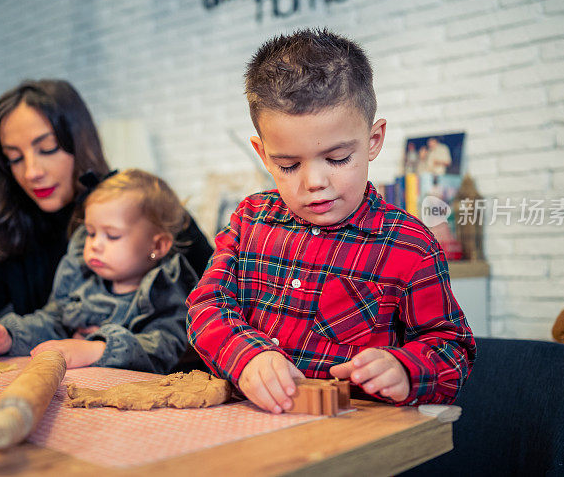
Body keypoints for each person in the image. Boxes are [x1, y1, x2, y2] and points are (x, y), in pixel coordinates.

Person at [186, 28, 476, 414]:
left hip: (351, 439)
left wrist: (405, 369)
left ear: (373, 141)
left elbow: (451, 347)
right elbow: (206, 304)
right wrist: (246, 356)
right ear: (263, 153)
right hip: (247, 424)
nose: (314, 183)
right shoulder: (248, 220)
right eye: (288, 164)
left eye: (337, 159)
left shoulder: (410, 245)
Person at [0, 79, 212, 363]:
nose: (31, 172)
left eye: (47, 148)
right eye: (14, 157)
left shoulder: (146, 213)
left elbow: (223, 307)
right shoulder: (17, 230)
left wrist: (102, 346)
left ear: (78, 140)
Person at [0, 169, 197, 372]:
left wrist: (95, 349)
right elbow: (53, 321)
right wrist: (11, 336)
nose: (95, 245)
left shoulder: (165, 290)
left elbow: (162, 348)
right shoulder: (81, 279)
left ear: (157, 245)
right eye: (90, 232)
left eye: (112, 235)